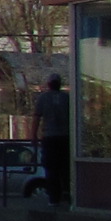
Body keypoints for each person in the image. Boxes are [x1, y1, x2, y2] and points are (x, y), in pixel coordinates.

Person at [32, 73, 73, 208]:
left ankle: (54, 197)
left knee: (51, 168)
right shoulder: (66, 98)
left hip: (50, 137)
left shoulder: (43, 98)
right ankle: (67, 194)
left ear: (49, 84)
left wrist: (34, 135)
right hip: (65, 137)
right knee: (65, 167)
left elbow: (37, 117)